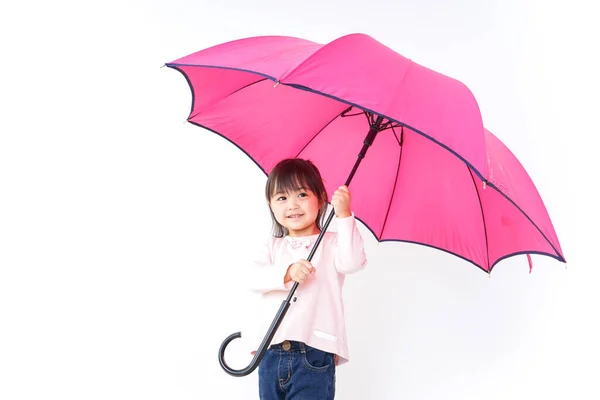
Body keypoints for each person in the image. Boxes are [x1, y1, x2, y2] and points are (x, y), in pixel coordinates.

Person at [246, 158, 367, 400]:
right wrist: (288, 272)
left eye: (301, 195)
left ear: (321, 199)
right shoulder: (272, 246)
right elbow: (252, 277)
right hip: (270, 351)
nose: (292, 205)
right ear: (270, 205)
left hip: (314, 352)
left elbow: (352, 262)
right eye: (282, 198)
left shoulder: (332, 243)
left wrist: (343, 215)